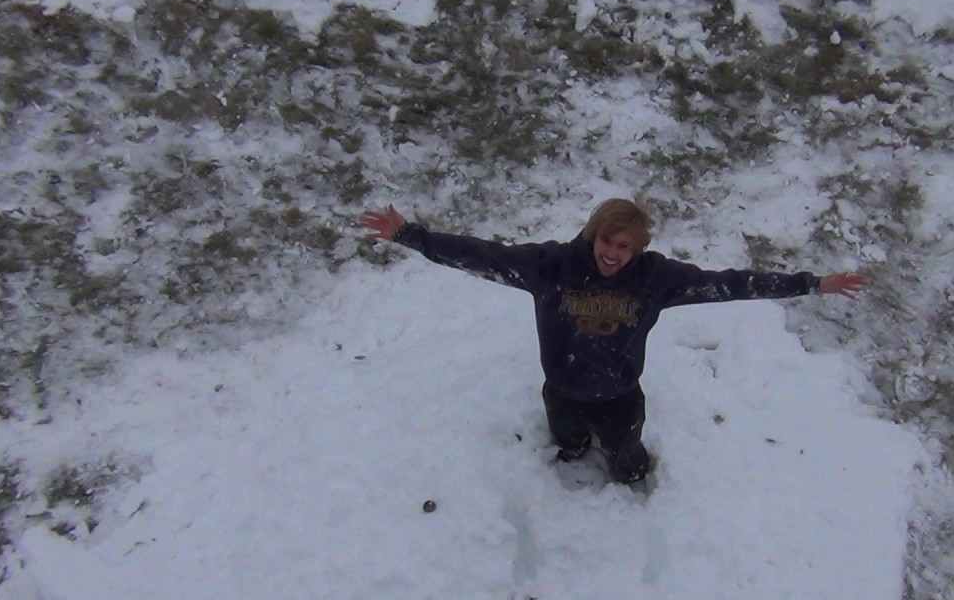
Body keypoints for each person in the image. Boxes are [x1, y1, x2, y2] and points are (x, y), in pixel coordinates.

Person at [359, 199, 868, 485]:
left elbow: (731, 283)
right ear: (592, 236)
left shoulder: (657, 279)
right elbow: (483, 255)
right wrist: (412, 236)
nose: (613, 253)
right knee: (569, 438)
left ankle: (628, 474)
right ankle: (576, 448)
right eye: (607, 241)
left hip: (621, 396)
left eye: (625, 246)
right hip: (560, 388)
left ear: (639, 249)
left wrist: (810, 284)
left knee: (627, 455)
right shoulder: (552, 266)